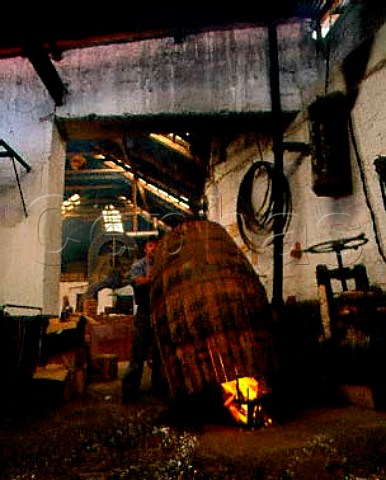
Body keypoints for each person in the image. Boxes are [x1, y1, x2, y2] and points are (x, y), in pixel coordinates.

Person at [121, 238, 164, 402]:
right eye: (151, 245)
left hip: (160, 310)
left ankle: (159, 387)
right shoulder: (138, 265)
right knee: (138, 351)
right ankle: (129, 391)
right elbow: (137, 281)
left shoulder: (163, 264)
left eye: (156, 245)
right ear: (146, 249)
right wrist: (153, 278)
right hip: (145, 312)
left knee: (160, 353)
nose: (154, 249)